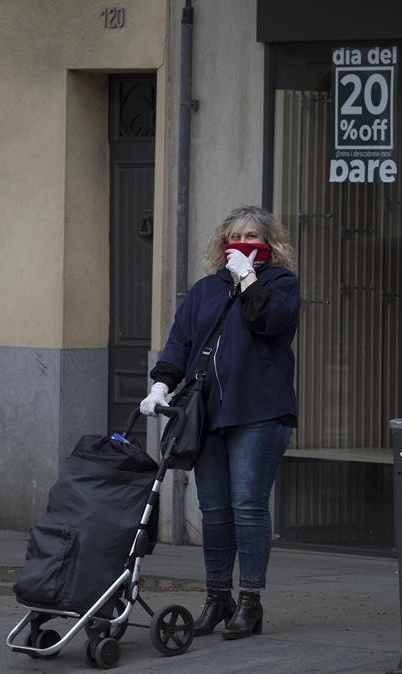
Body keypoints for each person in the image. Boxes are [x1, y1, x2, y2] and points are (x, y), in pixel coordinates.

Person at [140, 205, 299, 640]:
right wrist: (160, 385)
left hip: (259, 411)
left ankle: (250, 601)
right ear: (222, 241)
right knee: (213, 511)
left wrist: (249, 279)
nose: (243, 241)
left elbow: (270, 322)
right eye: (236, 234)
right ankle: (217, 597)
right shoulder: (206, 289)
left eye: (252, 235)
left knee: (248, 506)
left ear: (269, 243)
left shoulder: (280, 283)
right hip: (206, 413)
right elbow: (180, 340)